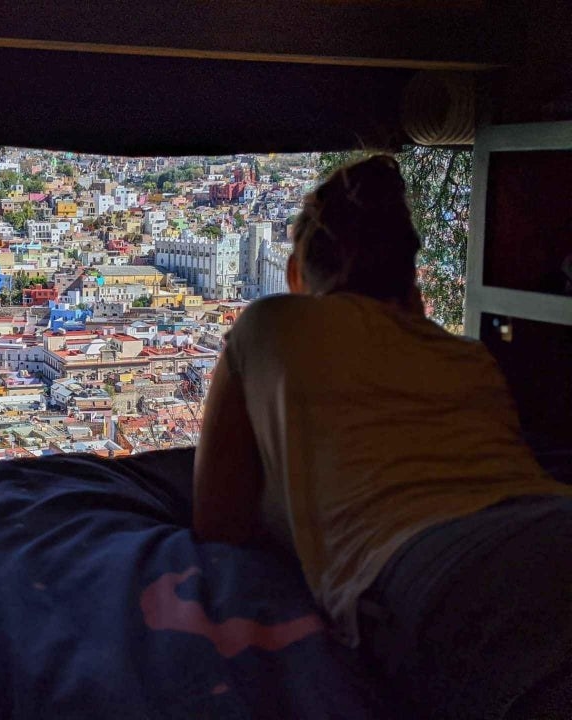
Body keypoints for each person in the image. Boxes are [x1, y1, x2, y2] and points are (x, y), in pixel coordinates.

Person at [193, 155, 572, 719]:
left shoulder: (273, 326)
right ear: (412, 283)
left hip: (443, 576)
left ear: (296, 274)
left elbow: (218, 523)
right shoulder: (470, 358)